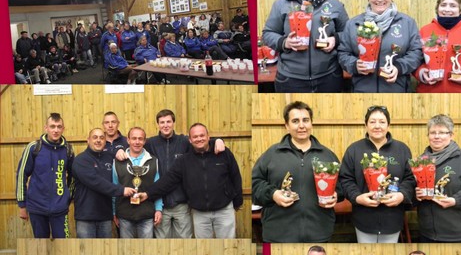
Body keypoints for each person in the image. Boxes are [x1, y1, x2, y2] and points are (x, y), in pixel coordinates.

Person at [252, 102, 340, 242]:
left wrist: (336, 195)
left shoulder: (327, 155)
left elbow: (340, 186)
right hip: (278, 234)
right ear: (286, 126)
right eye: (295, 121)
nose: (301, 126)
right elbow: (254, 184)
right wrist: (273, 194)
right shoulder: (271, 155)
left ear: (311, 123)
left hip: (319, 233)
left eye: (305, 120)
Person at [262, 0, 348, 92]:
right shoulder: (282, 4)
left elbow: (347, 33)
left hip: (329, 77)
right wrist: (284, 42)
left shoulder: (335, 5)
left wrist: (335, 39)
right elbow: (268, 33)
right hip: (290, 79)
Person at [139, 123, 242, 239]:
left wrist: (238, 201)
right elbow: (167, 180)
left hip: (224, 210)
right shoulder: (184, 161)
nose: (199, 139)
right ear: (190, 140)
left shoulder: (223, 153)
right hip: (200, 213)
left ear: (209, 137)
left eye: (202, 135)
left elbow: (235, 175)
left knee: (228, 244)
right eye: (195, 137)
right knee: (204, 247)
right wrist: (148, 194)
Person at [339, 105, 415, 243]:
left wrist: (401, 195)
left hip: (393, 218)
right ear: (365, 125)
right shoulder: (354, 150)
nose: (377, 126)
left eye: (382, 121)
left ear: (388, 125)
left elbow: (410, 178)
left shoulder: (402, 149)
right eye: (372, 122)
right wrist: (357, 198)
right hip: (364, 218)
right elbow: (346, 178)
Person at [339, 0, 423, 92]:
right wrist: (354, 65)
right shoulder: (353, 24)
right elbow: (343, 53)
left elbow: (416, 52)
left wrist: (398, 68)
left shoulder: (407, 23)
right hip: (361, 90)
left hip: (397, 90)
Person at [415, 114, 461, 242]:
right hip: (427, 234)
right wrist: (416, 195)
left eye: (442, 132)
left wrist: (456, 200)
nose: (436, 136)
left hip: (459, 235)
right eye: (432, 132)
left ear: (451, 135)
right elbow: (412, 189)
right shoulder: (421, 161)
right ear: (428, 136)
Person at [16, 112, 74, 238]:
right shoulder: (34, 148)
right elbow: (21, 175)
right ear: (46, 128)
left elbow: (73, 177)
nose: (56, 130)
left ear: (63, 129)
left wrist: (66, 198)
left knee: (63, 246)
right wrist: (22, 204)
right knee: (40, 248)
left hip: (60, 209)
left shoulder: (68, 149)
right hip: (37, 208)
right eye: (52, 126)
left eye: (59, 127)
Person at [73, 127, 135, 238]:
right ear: (88, 140)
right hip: (86, 217)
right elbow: (96, 182)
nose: (98, 140)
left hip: (105, 216)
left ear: (105, 141)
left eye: (102, 138)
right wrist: (121, 190)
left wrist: (119, 151)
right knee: (85, 252)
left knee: (105, 253)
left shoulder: (110, 157)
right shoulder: (80, 160)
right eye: (95, 137)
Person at [112, 127, 162, 239]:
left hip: (147, 214)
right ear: (128, 140)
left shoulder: (153, 161)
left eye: (140, 139)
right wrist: (114, 212)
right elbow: (114, 188)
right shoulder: (118, 162)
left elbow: (157, 187)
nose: (137, 142)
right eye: (134, 138)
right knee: (127, 251)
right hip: (124, 215)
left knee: (147, 251)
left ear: (145, 141)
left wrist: (158, 209)